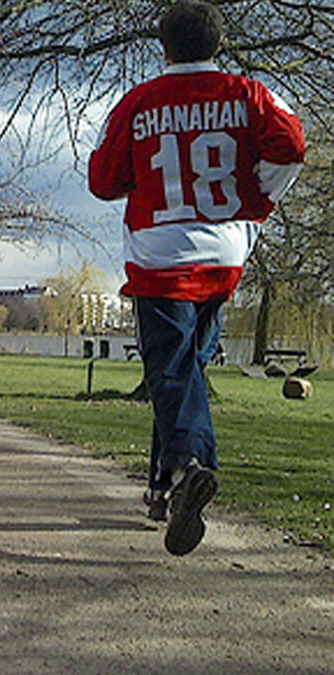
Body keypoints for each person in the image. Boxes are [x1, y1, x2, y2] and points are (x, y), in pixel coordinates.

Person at [88, 1, 305, 555]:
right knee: (182, 368)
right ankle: (162, 487)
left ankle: (188, 466)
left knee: (171, 368)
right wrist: (258, 199)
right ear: (218, 44)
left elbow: (102, 181)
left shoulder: (137, 104)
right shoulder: (249, 95)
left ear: (163, 47)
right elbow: (294, 145)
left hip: (159, 254)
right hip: (225, 252)